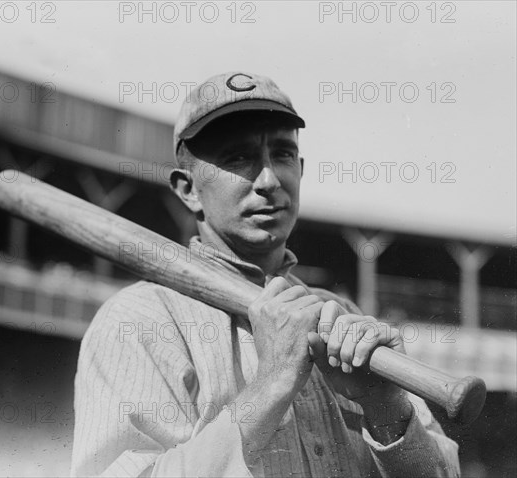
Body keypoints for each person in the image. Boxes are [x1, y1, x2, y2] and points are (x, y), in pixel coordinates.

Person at [71, 72, 460, 477]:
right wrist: (271, 384)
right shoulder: (137, 321)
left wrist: (386, 409)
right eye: (237, 157)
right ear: (188, 189)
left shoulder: (340, 314)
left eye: (283, 154)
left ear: (301, 169)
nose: (270, 180)